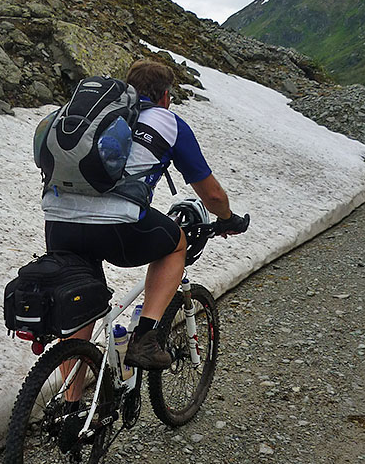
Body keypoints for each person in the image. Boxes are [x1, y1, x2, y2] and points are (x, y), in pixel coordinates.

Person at [43, 59, 248, 377]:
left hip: (59, 222)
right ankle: (145, 338)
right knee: (175, 243)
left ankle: (71, 410)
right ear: (165, 96)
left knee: (80, 306)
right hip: (119, 228)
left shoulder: (95, 115)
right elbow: (212, 195)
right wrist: (228, 218)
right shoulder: (168, 122)